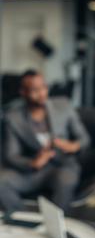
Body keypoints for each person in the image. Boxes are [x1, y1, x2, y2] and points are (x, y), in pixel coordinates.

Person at [0, 70, 89, 215]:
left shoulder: (63, 106)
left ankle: (59, 227)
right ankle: (26, 221)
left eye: (44, 87)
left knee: (65, 182)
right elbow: (11, 155)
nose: (42, 93)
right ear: (23, 92)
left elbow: (84, 139)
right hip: (33, 171)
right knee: (2, 182)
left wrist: (72, 146)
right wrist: (33, 163)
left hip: (63, 166)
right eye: (35, 90)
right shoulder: (13, 118)